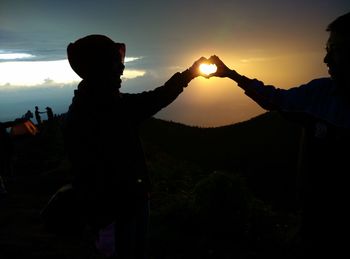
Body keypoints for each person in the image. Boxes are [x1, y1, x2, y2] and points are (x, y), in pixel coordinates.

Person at [208, 11, 350, 257]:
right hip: (313, 221)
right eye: (326, 48)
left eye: (334, 49)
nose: (326, 58)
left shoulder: (323, 98)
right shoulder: (320, 93)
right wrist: (232, 75)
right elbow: (276, 99)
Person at [64, 34, 205, 258]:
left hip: (120, 206)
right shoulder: (106, 109)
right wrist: (189, 74)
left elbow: (152, 99)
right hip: (117, 209)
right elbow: (155, 99)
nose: (121, 69)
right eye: (116, 63)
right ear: (101, 67)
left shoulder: (93, 103)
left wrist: (189, 74)